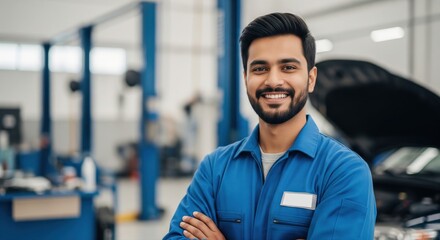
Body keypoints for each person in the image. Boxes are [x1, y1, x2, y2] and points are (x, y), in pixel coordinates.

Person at [164, 12, 376, 240]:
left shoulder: (343, 171)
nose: (273, 80)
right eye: (260, 69)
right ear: (246, 78)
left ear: (311, 78)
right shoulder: (215, 168)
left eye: (288, 67)